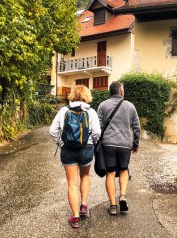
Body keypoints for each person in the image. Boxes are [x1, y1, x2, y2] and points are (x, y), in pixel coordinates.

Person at [50, 85, 101, 228]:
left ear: (72, 95)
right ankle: (83, 205)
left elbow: (53, 131)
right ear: (87, 95)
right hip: (86, 148)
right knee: (85, 176)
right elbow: (97, 132)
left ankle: (76, 217)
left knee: (72, 183)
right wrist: (92, 143)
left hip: (68, 150)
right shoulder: (91, 112)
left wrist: (61, 144)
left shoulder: (64, 111)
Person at [97, 81, 140, 215]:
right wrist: (135, 143)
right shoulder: (130, 106)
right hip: (124, 144)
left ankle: (113, 206)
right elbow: (136, 127)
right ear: (121, 91)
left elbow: (98, 127)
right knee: (123, 170)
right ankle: (122, 196)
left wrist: (97, 144)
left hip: (108, 144)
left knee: (110, 173)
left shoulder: (103, 105)